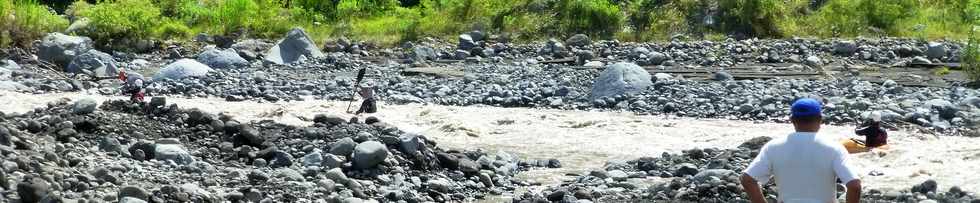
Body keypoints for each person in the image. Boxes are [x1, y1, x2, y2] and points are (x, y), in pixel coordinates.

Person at [741, 98, 862, 203]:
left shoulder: (773, 147)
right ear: (820, 119)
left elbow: (747, 179)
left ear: (792, 120)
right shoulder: (834, 148)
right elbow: (854, 185)